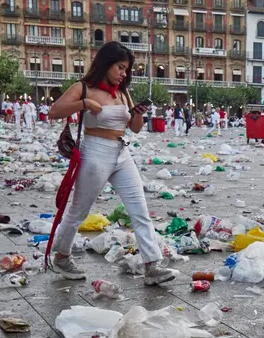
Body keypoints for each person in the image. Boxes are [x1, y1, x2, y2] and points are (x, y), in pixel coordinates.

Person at [47, 41, 174, 284]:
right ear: (106, 64)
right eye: (120, 67)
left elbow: (134, 129)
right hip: (95, 151)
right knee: (78, 210)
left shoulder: (123, 92)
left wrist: (137, 113)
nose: (124, 74)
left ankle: (152, 265)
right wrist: (83, 104)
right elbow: (54, 111)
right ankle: (62, 256)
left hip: (122, 152)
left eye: (126, 69)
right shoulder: (84, 88)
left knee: (140, 210)